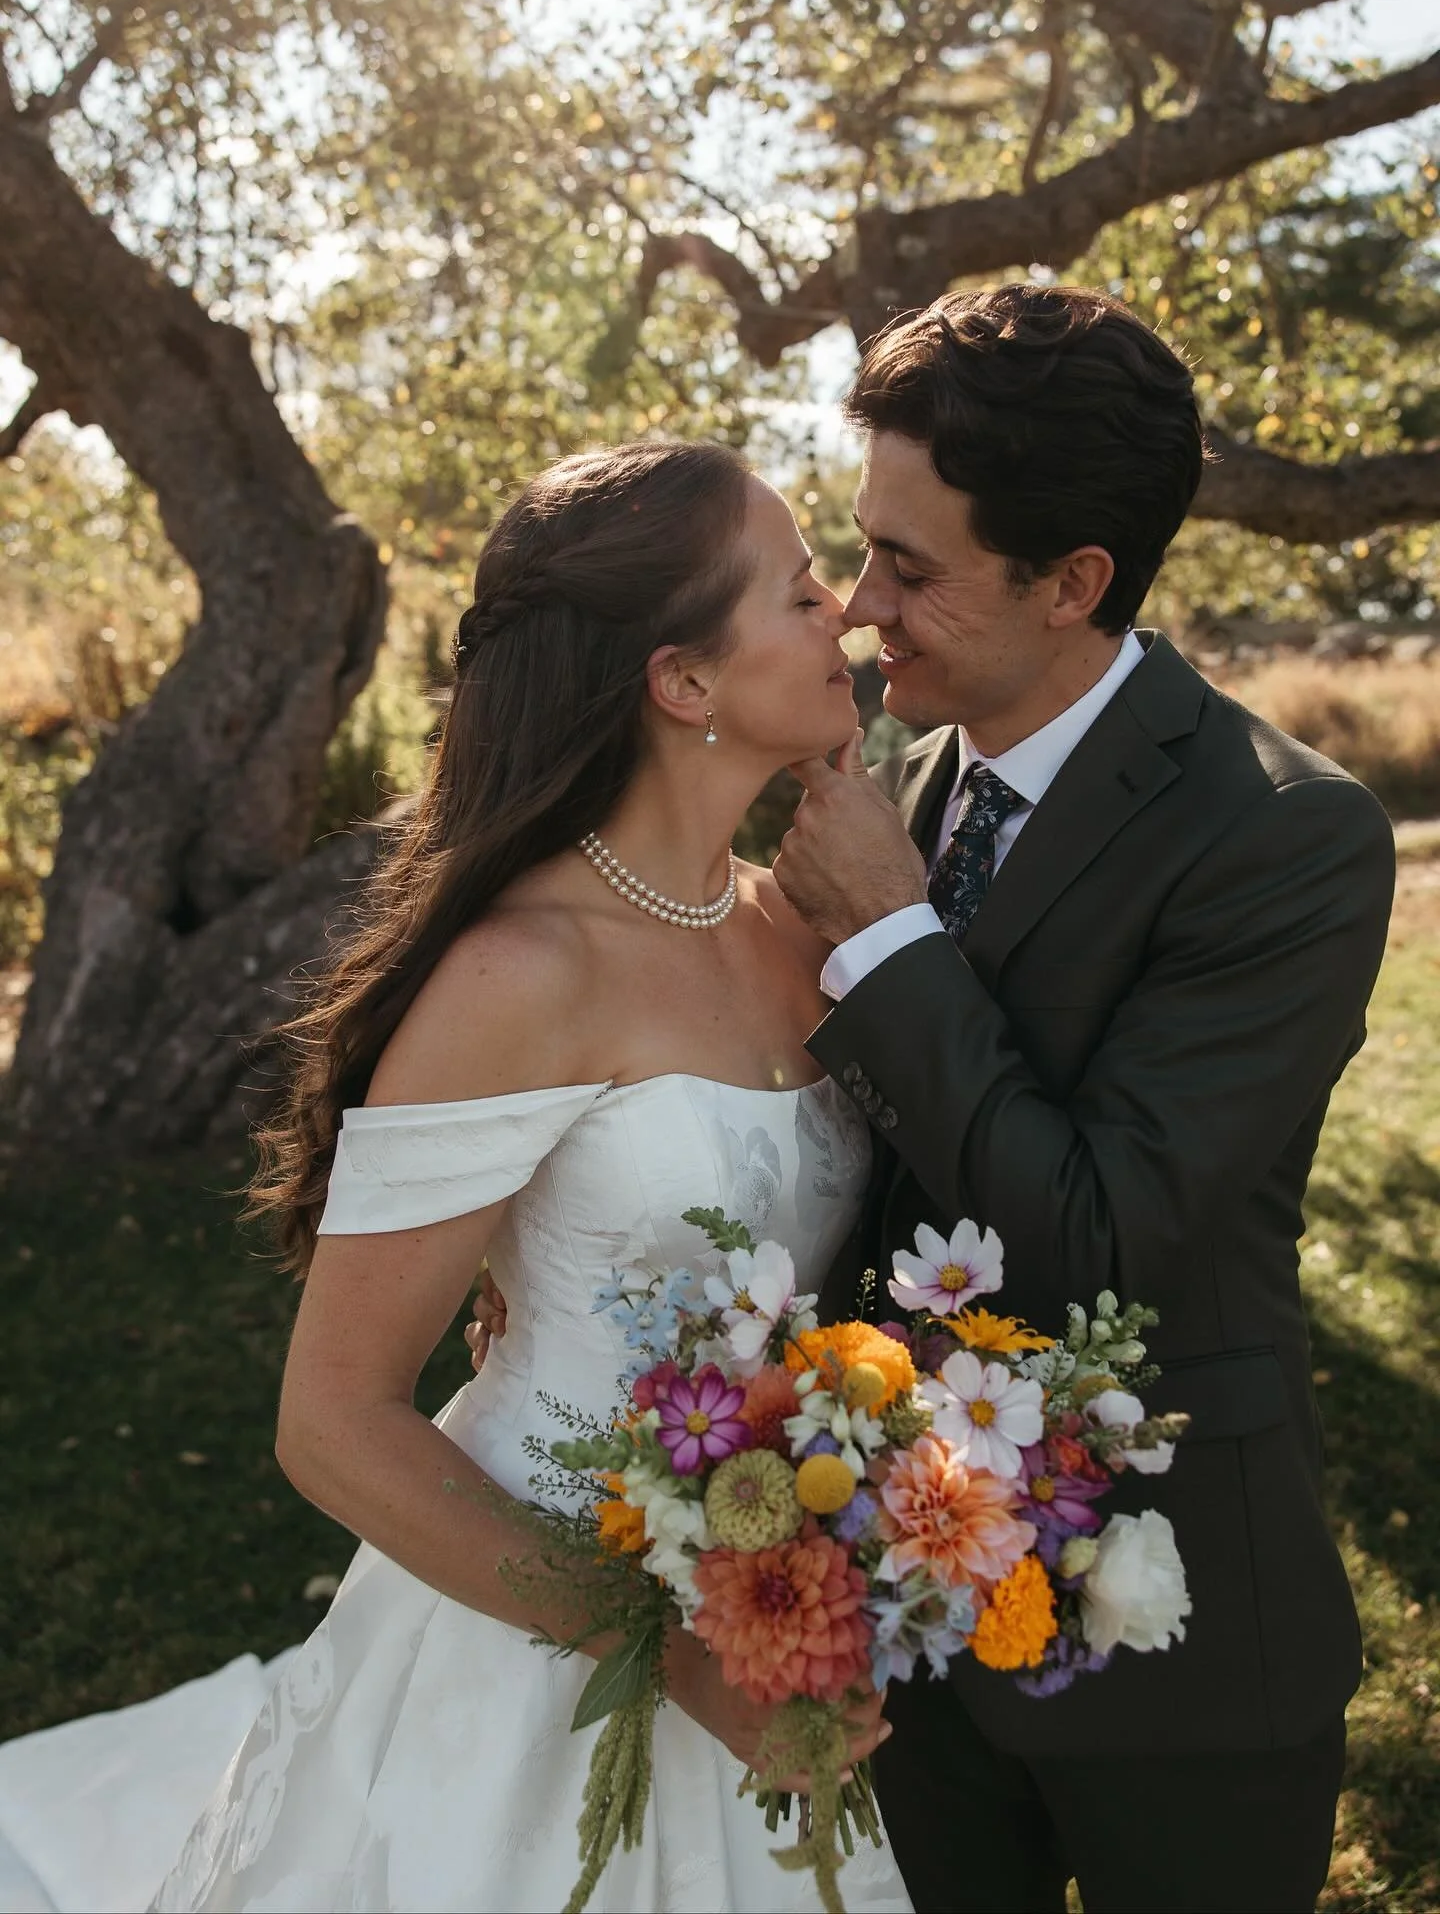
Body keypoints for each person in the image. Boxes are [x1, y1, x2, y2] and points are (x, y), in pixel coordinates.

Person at [473, 285, 1396, 1913]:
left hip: (1173, 1635)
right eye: (858, 553)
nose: (858, 611)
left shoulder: (1283, 839)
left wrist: (898, 935)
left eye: (911, 571)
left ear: (1074, 582)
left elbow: (1108, 1229)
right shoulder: (867, 769)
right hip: (874, 1628)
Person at [131, 441, 911, 1912]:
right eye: (804, 594)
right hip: (538, 1630)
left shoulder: (799, 924)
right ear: (683, 683)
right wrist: (659, 1649)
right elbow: (333, 1423)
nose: (849, 618)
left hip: (768, 1587)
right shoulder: (522, 971)